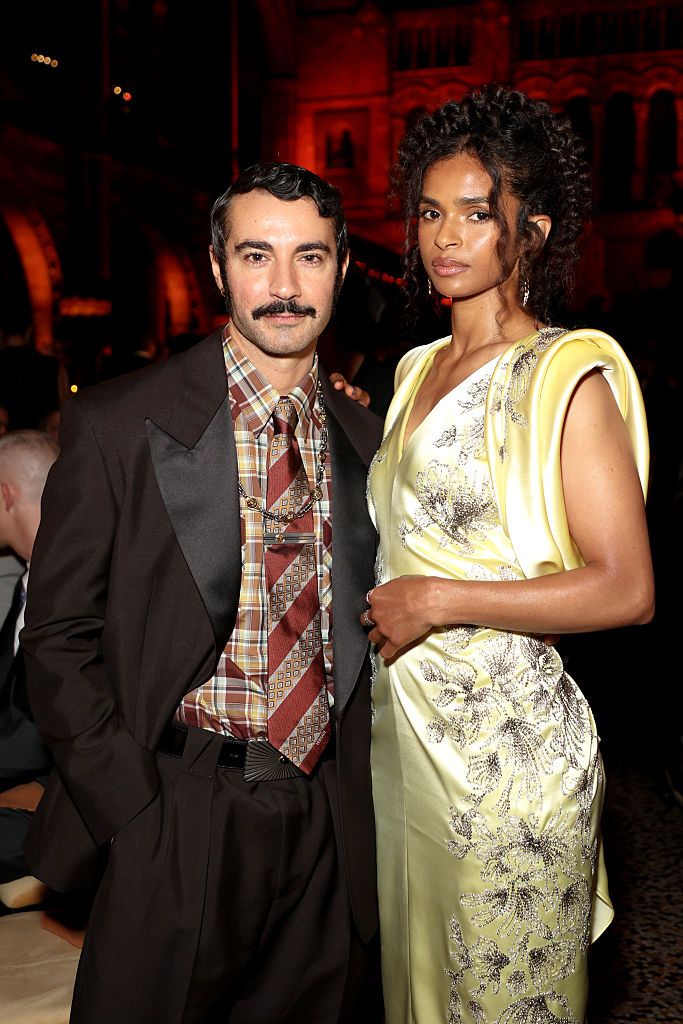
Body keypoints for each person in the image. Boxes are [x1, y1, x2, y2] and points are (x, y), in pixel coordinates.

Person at [22, 162, 383, 1023]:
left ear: (342, 270)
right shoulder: (118, 421)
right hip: (179, 810)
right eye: (257, 255)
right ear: (218, 266)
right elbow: (57, 637)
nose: (285, 286)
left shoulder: (371, 434)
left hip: (333, 817)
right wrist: (132, 810)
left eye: (311, 257)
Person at [363, 86, 653, 1024]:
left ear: (527, 230)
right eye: (429, 213)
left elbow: (626, 588)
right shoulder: (411, 372)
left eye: (475, 215)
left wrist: (438, 601)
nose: (444, 237)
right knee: (415, 993)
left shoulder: (567, 375)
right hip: (404, 740)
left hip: (508, 761)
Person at [0, 431, 56, 883]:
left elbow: (44, 729)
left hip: (63, 803)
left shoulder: (66, 589)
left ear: (5, 495)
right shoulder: (29, 577)